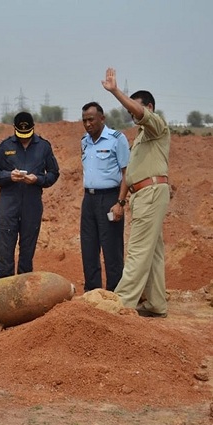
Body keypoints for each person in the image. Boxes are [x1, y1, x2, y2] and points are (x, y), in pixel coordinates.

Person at [102, 67, 171, 318]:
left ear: (149, 107)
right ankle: (156, 304)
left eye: (135, 110)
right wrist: (122, 200)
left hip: (150, 193)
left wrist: (116, 92)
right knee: (153, 252)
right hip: (143, 195)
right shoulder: (143, 136)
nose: (132, 115)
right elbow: (130, 172)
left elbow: (141, 113)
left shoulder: (156, 125)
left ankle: (121, 304)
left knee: (138, 250)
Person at [0, 112, 60, 278]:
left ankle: (24, 287)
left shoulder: (43, 147)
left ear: (33, 128)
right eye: (20, 134)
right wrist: (9, 176)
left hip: (32, 205)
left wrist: (37, 179)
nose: (24, 137)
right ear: (14, 129)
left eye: (27, 133)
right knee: (4, 249)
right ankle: (5, 286)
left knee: (27, 252)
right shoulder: (5, 146)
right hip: (9, 205)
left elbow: (53, 173)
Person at [80, 101, 131, 292]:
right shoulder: (84, 141)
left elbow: (127, 172)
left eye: (91, 119)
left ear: (102, 118)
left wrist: (120, 202)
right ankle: (92, 291)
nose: (88, 124)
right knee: (88, 246)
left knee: (112, 248)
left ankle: (115, 292)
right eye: (84, 120)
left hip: (110, 199)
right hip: (89, 200)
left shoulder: (117, 139)